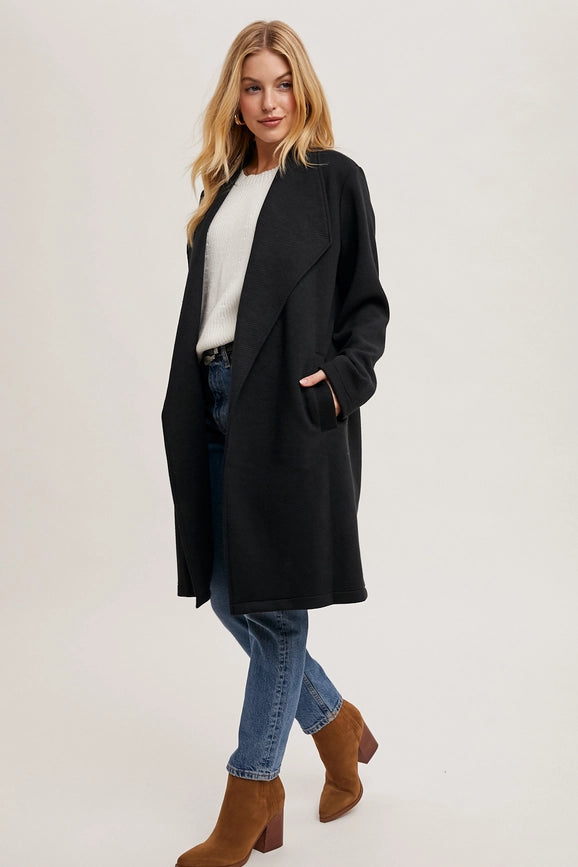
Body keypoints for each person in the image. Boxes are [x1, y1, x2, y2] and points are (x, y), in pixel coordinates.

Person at [161, 19, 390, 867]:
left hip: (287, 410)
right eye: (253, 86)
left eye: (283, 83)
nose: (269, 101)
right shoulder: (220, 191)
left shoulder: (333, 180)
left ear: (304, 89)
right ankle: (336, 726)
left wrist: (338, 382)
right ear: (235, 97)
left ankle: (253, 791)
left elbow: (366, 306)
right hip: (213, 403)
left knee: (279, 612)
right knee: (232, 596)